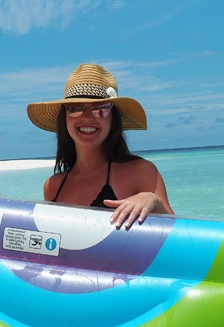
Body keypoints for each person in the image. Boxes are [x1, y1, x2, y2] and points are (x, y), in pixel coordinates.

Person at [27, 64, 174, 228]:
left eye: (100, 109)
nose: (87, 117)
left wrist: (153, 200)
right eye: (75, 108)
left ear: (113, 120)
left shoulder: (142, 172)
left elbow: (177, 237)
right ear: (64, 118)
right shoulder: (52, 186)